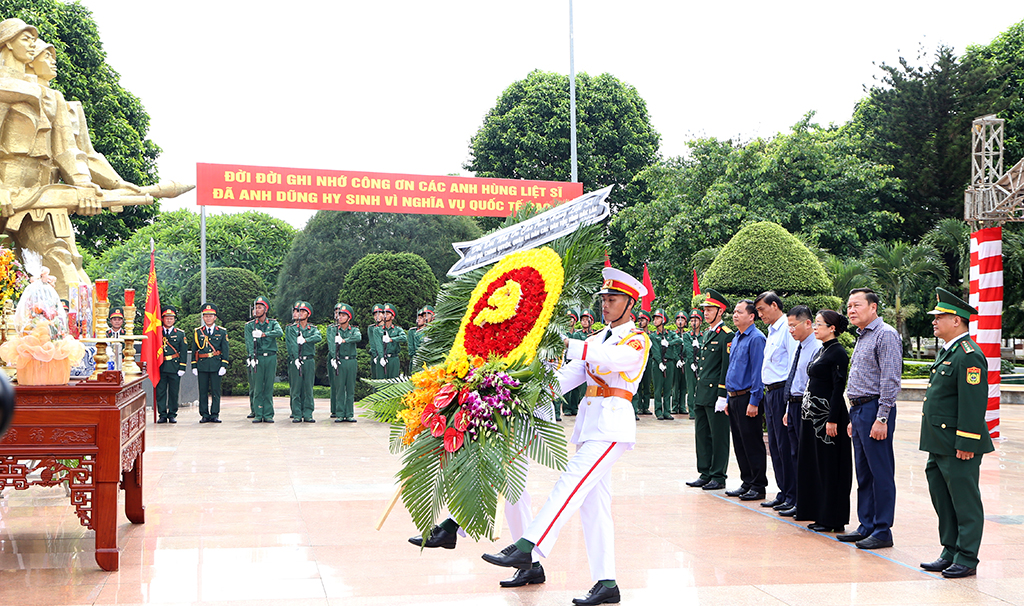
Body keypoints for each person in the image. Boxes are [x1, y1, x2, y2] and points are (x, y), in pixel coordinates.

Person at [481, 267, 649, 606]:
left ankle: (528, 546)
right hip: (591, 428)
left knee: (570, 484)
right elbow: (562, 380)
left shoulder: (636, 340)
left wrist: (566, 342)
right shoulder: (596, 340)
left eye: (613, 299)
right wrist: (509, 389)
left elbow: (611, 360)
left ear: (631, 304)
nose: (605, 304)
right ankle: (607, 583)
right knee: (594, 506)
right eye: (603, 299)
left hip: (612, 427)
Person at [918, 288, 994, 578]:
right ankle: (949, 550)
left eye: (941, 317)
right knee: (943, 498)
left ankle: (967, 557)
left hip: (957, 444)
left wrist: (967, 442)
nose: (935, 321)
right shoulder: (949, 351)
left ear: (958, 320)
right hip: (939, 442)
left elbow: (973, 405)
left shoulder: (969, 356)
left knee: (965, 502)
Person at [838, 287, 902, 550]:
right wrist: (855, 415)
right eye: (849, 306)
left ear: (873, 307)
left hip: (876, 409)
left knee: (880, 472)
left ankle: (883, 529)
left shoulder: (885, 335)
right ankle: (866, 525)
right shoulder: (863, 336)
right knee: (864, 473)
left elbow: (890, 379)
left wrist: (882, 417)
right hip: (860, 410)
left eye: (857, 305)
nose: (851, 311)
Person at [796, 310, 852, 531]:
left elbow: (839, 388)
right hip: (812, 417)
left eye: (819, 324)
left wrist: (832, 419)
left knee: (830, 467)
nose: (815, 327)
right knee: (815, 464)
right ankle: (816, 511)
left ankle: (832, 518)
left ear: (832, 328)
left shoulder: (838, 352)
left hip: (828, 418)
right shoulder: (822, 350)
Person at [754, 292, 797, 510]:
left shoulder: (787, 330)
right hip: (769, 392)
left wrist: (788, 399)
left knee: (784, 444)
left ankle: (792, 494)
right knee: (775, 445)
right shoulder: (771, 332)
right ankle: (783, 490)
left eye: (762, 309)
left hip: (781, 391)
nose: (759, 314)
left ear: (774, 305)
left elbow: (791, 365)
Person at [777, 305, 821, 516]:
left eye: (794, 326)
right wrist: (787, 407)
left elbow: (812, 382)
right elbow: (793, 378)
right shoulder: (799, 346)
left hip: (807, 407)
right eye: (789, 327)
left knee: (806, 456)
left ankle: (807, 502)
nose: (791, 330)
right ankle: (795, 499)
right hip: (793, 404)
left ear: (808, 323)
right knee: (794, 454)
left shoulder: (816, 348)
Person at [686, 290, 732, 491]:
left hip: (716, 394)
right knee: (702, 434)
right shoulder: (707, 333)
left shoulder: (727, 335)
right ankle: (704, 472)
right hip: (702, 392)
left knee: (718, 436)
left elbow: (726, 367)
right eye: (704, 309)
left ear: (720, 311)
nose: (705, 313)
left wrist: (723, 395)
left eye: (710, 309)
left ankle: (718, 475)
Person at [723, 299, 767, 501]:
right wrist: (727, 398)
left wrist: (755, 401)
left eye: (739, 312)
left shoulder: (756, 338)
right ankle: (747, 481)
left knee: (752, 442)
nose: (734, 315)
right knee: (740, 442)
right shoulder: (738, 337)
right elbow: (732, 370)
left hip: (748, 396)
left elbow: (758, 372)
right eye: (734, 312)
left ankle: (758, 485)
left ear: (752, 316)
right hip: (734, 398)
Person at [246, 296, 283, 423]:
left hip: (270, 357)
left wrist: (264, 334)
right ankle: (258, 412)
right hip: (258, 357)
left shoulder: (272, 323)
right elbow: (249, 342)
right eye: (255, 307)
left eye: (260, 307)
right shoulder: (250, 326)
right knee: (257, 387)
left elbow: (279, 333)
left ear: (265, 309)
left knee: (268, 386)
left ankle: (268, 414)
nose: (257, 310)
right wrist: (251, 356)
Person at [192, 302, 229, 423]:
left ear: (215, 317)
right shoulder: (198, 332)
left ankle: (214, 414)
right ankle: (204, 414)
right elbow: (194, 350)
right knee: (202, 391)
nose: (208, 318)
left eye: (210, 315)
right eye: (206, 315)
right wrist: (194, 365)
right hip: (202, 365)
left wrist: (224, 365)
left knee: (216, 391)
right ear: (203, 317)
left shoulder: (222, 332)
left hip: (216, 365)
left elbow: (225, 350)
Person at [286, 301, 321, 423]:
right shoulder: (291, 329)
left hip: (309, 360)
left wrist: (305, 340)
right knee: (296, 389)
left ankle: (308, 413)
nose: (300, 314)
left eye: (303, 312)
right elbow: (292, 344)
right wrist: (296, 358)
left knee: (308, 388)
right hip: (297, 360)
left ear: (308, 314)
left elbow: (318, 337)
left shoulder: (313, 329)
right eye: (299, 311)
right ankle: (296, 413)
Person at [328, 303, 361, 423]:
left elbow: (358, 338)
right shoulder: (334, 330)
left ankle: (350, 414)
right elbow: (331, 344)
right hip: (340, 360)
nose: (339, 317)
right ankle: (340, 413)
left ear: (349, 317)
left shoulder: (354, 330)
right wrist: (334, 357)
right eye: (339, 315)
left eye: (343, 315)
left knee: (350, 388)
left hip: (351, 361)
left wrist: (344, 340)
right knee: (340, 388)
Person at [155, 305, 186, 424]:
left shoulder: (180, 334)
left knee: (173, 392)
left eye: (171, 318)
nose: (169, 320)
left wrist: (182, 367)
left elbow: (183, 352)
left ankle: (172, 414)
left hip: (174, 367)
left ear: (174, 319)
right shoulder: (157, 333)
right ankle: (162, 414)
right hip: (161, 367)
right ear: (162, 319)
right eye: (166, 318)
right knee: (161, 392)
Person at [650, 308, 678, 420]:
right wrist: (660, 362)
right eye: (655, 319)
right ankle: (658, 411)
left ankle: (667, 411)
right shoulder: (653, 336)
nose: (655, 321)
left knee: (668, 389)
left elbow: (679, 341)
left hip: (669, 363)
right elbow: (655, 351)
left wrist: (668, 343)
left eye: (657, 318)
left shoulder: (670, 334)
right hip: (658, 365)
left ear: (663, 320)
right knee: (658, 389)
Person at [632, 309, 653, 417]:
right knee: (638, 385)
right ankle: (638, 406)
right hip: (638, 361)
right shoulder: (635, 334)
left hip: (648, 361)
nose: (641, 322)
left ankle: (646, 407)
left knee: (647, 384)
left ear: (648, 322)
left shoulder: (650, 334)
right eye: (639, 320)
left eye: (643, 320)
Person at [684, 309, 703, 420]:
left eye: (695, 320)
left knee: (700, 388)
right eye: (691, 320)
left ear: (700, 322)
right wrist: (691, 362)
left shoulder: (704, 335)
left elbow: (704, 349)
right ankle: (692, 411)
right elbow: (688, 349)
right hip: (690, 363)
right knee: (691, 388)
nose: (693, 323)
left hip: (701, 363)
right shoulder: (687, 336)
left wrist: (698, 345)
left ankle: (699, 410)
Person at [379, 303, 407, 379]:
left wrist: (391, 339)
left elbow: (404, 338)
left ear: (393, 317)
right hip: (382, 358)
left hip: (393, 358)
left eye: (387, 314)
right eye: (384, 314)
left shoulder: (397, 329)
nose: (385, 316)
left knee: (393, 381)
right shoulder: (379, 329)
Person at [669, 311, 688, 416]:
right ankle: (675, 406)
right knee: (675, 385)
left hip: (685, 361)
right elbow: (673, 349)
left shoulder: (688, 335)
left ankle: (682, 406)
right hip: (676, 362)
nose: (680, 322)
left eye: (682, 320)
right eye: (678, 319)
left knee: (684, 385)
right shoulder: (673, 334)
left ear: (686, 322)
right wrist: (677, 359)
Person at [368, 303, 385, 379]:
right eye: (375, 315)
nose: (376, 317)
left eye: (379, 314)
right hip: (376, 355)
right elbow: (372, 343)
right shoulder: (372, 328)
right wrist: (375, 355)